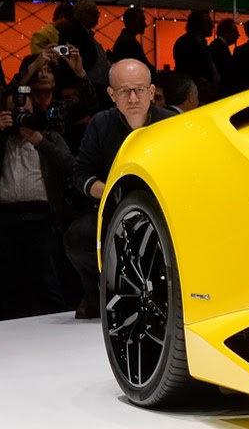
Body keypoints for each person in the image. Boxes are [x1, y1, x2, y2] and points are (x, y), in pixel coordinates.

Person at [64, 59, 179, 318]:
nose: (133, 98)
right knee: (79, 235)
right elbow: (81, 174)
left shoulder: (171, 124)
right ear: (111, 94)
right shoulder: (101, 124)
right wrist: (111, 192)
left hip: (163, 210)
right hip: (113, 209)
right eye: (124, 91)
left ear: (151, 92)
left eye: (139, 90)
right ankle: (96, 293)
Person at [0, 78, 74, 318]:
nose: (20, 117)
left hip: (42, 218)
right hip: (6, 218)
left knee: (48, 281)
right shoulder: (4, 140)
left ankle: (58, 330)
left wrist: (41, 142)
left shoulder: (49, 136)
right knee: (8, 286)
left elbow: (71, 167)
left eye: (26, 112)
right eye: (14, 113)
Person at [172, 9, 218, 98]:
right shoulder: (186, 43)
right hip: (195, 92)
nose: (212, 26)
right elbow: (187, 68)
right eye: (209, 23)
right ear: (199, 24)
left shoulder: (200, 43)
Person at [210, 16, 241, 95]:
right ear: (226, 32)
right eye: (235, 31)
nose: (238, 35)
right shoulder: (219, 47)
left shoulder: (218, 45)